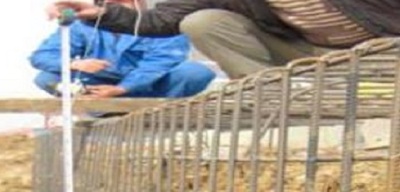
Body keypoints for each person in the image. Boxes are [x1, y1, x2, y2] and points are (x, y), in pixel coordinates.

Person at [47, 0, 400, 80]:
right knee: (202, 22)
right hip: (310, 50)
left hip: (387, 46)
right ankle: (277, 96)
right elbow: (161, 20)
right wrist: (101, 12)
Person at [30, 0, 215, 99]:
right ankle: (98, 107)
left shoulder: (164, 24)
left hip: (150, 86)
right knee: (47, 79)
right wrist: (75, 63)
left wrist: (122, 88)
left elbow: (159, 63)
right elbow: (41, 56)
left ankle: (155, 108)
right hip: (99, 86)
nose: (114, 6)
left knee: (196, 72)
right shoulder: (83, 27)